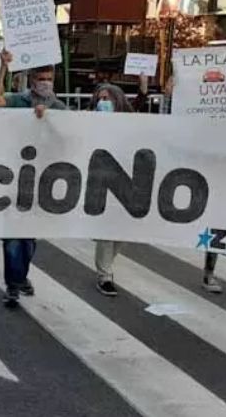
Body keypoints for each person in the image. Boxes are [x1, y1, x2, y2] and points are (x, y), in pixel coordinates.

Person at [0, 50, 66, 308]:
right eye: (41, 78)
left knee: (30, 238)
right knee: (12, 236)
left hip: (42, 180)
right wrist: (3, 67)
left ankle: (20, 276)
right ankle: (13, 284)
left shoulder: (60, 108)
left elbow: (68, 141)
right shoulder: (18, 101)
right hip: (13, 177)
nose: (45, 82)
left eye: (49, 78)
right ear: (32, 80)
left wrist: (50, 122)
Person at [87, 83, 134, 297]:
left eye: (107, 98)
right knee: (107, 230)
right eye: (99, 98)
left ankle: (106, 265)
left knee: (122, 232)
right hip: (100, 180)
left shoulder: (130, 121)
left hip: (126, 180)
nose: (102, 103)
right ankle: (104, 275)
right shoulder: (89, 120)